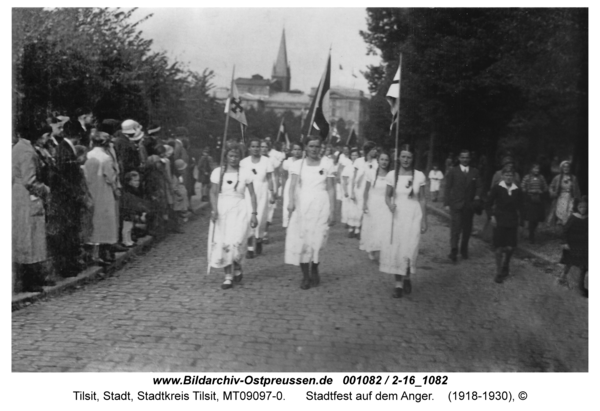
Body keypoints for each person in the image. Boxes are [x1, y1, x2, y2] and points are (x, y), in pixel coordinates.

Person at [285, 136, 336, 289]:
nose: (314, 149)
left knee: (318, 240)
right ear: (306, 148)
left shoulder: (327, 163)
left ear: (321, 148)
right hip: (303, 205)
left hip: (321, 204)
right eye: (311, 146)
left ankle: (314, 267)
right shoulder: (298, 165)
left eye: (317, 146)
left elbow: (331, 188)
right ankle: (306, 276)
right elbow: (292, 186)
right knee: (302, 240)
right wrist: (291, 202)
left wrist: (333, 210)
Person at [379, 144, 428, 298]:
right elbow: (387, 196)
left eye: (409, 157)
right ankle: (398, 284)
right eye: (403, 156)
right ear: (398, 157)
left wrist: (424, 220)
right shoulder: (392, 175)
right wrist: (389, 204)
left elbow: (422, 199)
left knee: (410, 248)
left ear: (413, 159)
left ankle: (407, 277)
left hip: (413, 215)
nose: (406, 160)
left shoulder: (419, 176)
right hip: (397, 215)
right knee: (397, 249)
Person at [208, 145, 258, 289]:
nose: (234, 159)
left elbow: (253, 194)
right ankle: (228, 276)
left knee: (238, 241)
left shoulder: (245, 173)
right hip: (223, 209)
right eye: (231, 156)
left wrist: (254, 214)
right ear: (226, 157)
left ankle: (237, 266)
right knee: (225, 242)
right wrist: (214, 210)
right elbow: (213, 192)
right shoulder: (218, 172)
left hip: (240, 209)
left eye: (236, 156)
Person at [13, 127, 52, 292]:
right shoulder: (28, 153)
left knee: (25, 236)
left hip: (18, 194)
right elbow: (30, 180)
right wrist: (46, 190)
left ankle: (30, 277)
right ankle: (29, 280)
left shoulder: (19, 148)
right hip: (27, 197)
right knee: (30, 237)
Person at [47, 120, 87, 277]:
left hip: (68, 198)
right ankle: (67, 266)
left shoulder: (64, 148)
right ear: (77, 135)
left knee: (70, 231)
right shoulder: (64, 150)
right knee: (67, 233)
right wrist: (76, 194)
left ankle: (71, 264)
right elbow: (64, 177)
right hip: (66, 200)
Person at [85, 131, 120, 265]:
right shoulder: (106, 157)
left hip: (90, 188)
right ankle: (104, 251)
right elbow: (109, 176)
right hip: (103, 189)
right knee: (106, 219)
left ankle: (92, 251)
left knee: (94, 219)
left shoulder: (89, 154)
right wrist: (116, 189)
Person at [444, 149, 483, 262]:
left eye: (467, 157)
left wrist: (477, 196)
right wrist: (446, 203)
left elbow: (479, 186)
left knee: (467, 229)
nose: (465, 159)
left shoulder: (474, 172)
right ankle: (454, 250)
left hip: (469, 206)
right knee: (455, 228)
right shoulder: (453, 171)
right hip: (456, 204)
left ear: (469, 159)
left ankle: (464, 249)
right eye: (463, 157)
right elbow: (448, 187)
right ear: (459, 158)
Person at [240, 137, 275, 258]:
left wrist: (271, 192)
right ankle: (250, 248)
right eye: (253, 146)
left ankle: (259, 239)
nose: (255, 149)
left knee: (260, 220)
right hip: (248, 193)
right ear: (249, 148)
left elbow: (270, 178)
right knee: (249, 220)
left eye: (258, 147)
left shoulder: (266, 161)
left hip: (262, 192)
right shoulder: (244, 162)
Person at [487, 169, 523, 283]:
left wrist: (521, 221)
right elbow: (488, 203)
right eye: (506, 175)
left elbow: (521, 206)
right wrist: (491, 216)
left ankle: (506, 264)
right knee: (499, 247)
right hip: (499, 220)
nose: (508, 177)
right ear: (502, 176)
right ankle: (498, 272)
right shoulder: (497, 188)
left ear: (513, 177)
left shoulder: (517, 190)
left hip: (512, 220)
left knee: (510, 247)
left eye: (510, 175)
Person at [360, 151, 392, 261]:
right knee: (372, 227)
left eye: (386, 160)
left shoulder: (391, 175)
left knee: (383, 228)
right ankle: (372, 248)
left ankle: (381, 249)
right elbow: (366, 190)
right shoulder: (371, 173)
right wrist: (364, 203)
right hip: (373, 203)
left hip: (385, 204)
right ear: (378, 160)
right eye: (382, 159)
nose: (384, 162)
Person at [557, 196, 588, 297]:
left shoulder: (588, 218)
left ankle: (580, 285)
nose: (583, 209)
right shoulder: (573, 217)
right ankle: (563, 275)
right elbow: (565, 231)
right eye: (580, 207)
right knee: (569, 262)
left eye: (585, 207)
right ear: (577, 207)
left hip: (583, 244)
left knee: (583, 263)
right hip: (572, 243)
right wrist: (564, 242)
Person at [547, 161, 581, 226]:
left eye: (567, 167)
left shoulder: (573, 178)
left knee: (569, 212)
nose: (566, 168)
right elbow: (551, 186)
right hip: (560, 197)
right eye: (564, 167)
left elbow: (577, 190)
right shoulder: (557, 178)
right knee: (560, 213)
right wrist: (553, 193)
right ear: (562, 168)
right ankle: (559, 227)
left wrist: (578, 199)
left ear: (570, 168)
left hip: (570, 197)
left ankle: (567, 228)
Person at [521, 163, 549, 243]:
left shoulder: (541, 177)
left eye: (538, 169)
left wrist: (541, 191)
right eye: (535, 169)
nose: (537, 170)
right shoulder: (527, 177)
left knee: (537, 219)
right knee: (531, 218)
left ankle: (532, 230)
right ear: (531, 169)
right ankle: (531, 235)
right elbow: (522, 187)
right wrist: (530, 191)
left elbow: (546, 187)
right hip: (530, 199)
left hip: (538, 199)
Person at [261, 139, 281, 244]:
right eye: (261, 147)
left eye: (265, 147)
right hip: (258, 186)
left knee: (268, 210)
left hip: (270, 185)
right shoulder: (254, 160)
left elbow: (277, 175)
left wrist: (276, 189)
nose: (263, 149)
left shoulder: (272, 160)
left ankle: (265, 232)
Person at [281, 142, 303, 228]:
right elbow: (284, 176)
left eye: (299, 150)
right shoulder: (287, 162)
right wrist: (283, 188)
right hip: (290, 185)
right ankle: (288, 224)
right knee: (289, 204)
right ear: (291, 151)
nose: (297, 152)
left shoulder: (304, 161)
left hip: (301, 185)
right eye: (295, 149)